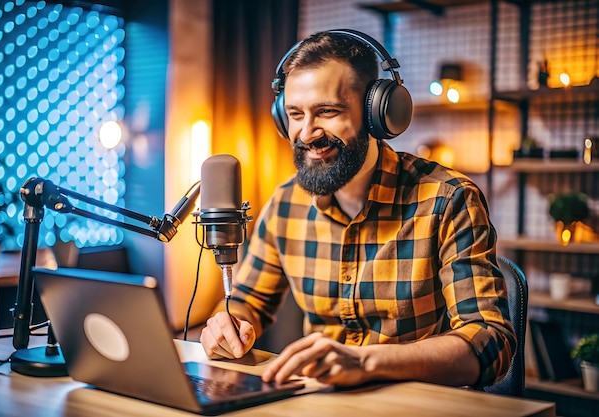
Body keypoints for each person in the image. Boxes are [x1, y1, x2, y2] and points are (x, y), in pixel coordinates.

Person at [199, 29, 516, 389]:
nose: (306, 133)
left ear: (378, 113)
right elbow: (247, 300)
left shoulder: (449, 200)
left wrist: (366, 362)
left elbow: (491, 342)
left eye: (327, 111)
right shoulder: (285, 203)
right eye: (295, 114)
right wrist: (228, 325)